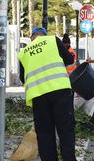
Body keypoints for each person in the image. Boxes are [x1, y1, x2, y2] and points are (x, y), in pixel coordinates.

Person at [18, 27, 77, 161]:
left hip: (38, 96)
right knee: (65, 130)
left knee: (45, 134)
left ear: (31, 38)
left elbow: (23, 77)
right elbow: (69, 59)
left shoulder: (24, 53)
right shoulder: (52, 41)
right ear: (44, 35)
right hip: (60, 92)